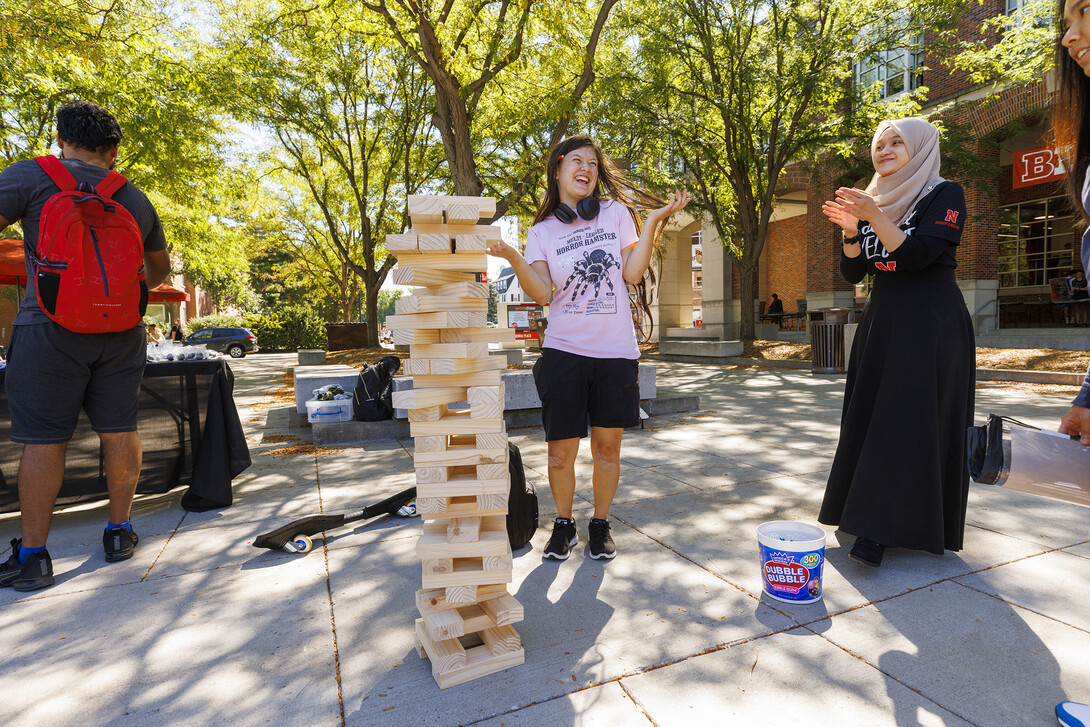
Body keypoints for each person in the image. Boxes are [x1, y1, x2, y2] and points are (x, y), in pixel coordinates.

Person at [486, 135, 689, 561]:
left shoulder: (616, 214)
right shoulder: (541, 232)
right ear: (558, 170)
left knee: (607, 450)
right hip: (564, 353)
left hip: (615, 354)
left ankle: (599, 523)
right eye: (576, 161)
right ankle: (563, 525)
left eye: (593, 164)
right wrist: (511, 256)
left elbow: (634, 274)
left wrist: (652, 222)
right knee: (560, 455)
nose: (586, 169)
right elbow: (542, 292)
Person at [0, 100, 171, 592]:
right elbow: (156, 272)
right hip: (121, 331)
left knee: (44, 439)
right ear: (113, 150)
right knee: (120, 429)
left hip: (48, 327)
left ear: (61, 139)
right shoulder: (132, 197)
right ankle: (119, 532)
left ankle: (34, 557)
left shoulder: (31, 178)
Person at [816, 117, 975, 568]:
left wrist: (874, 216)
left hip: (930, 321)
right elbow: (854, 273)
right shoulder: (876, 198)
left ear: (920, 149)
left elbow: (918, 257)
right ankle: (865, 514)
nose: (883, 150)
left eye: (896, 143)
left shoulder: (945, 193)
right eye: (879, 143)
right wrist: (852, 231)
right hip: (883, 318)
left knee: (906, 421)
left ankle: (878, 531)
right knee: (871, 416)